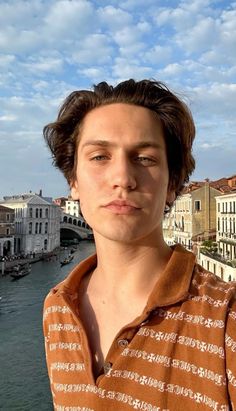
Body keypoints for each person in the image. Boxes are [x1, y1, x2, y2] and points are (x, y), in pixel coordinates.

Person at [43, 79, 236, 411]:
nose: (122, 178)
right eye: (100, 156)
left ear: (173, 184)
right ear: (73, 180)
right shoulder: (57, 310)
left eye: (145, 159)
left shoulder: (227, 322)